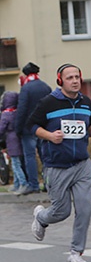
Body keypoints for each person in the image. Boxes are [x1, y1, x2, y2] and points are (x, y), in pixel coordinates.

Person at [26, 64, 91, 262]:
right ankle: (42, 217)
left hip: (82, 164)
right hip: (56, 165)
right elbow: (32, 126)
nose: (75, 81)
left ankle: (76, 252)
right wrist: (50, 136)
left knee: (85, 209)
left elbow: (86, 127)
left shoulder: (85, 102)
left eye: (77, 77)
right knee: (61, 211)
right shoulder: (48, 102)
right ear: (60, 80)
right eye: (70, 77)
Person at [16, 62, 51, 195]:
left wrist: (18, 128)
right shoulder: (45, 87)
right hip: (43, 127)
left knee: (30, 156)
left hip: (28, 129)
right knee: (45, 156)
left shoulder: (26, 88)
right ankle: (48, 183)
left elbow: (22, 110)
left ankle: (33, 184)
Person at [0, 91, 26, 193]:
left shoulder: (6, 114)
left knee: (15, 164)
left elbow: (1, 128)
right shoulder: (17, 112)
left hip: (11, 140)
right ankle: (16, 184)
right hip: (19, 139)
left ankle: (22, 183)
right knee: (18, 162)